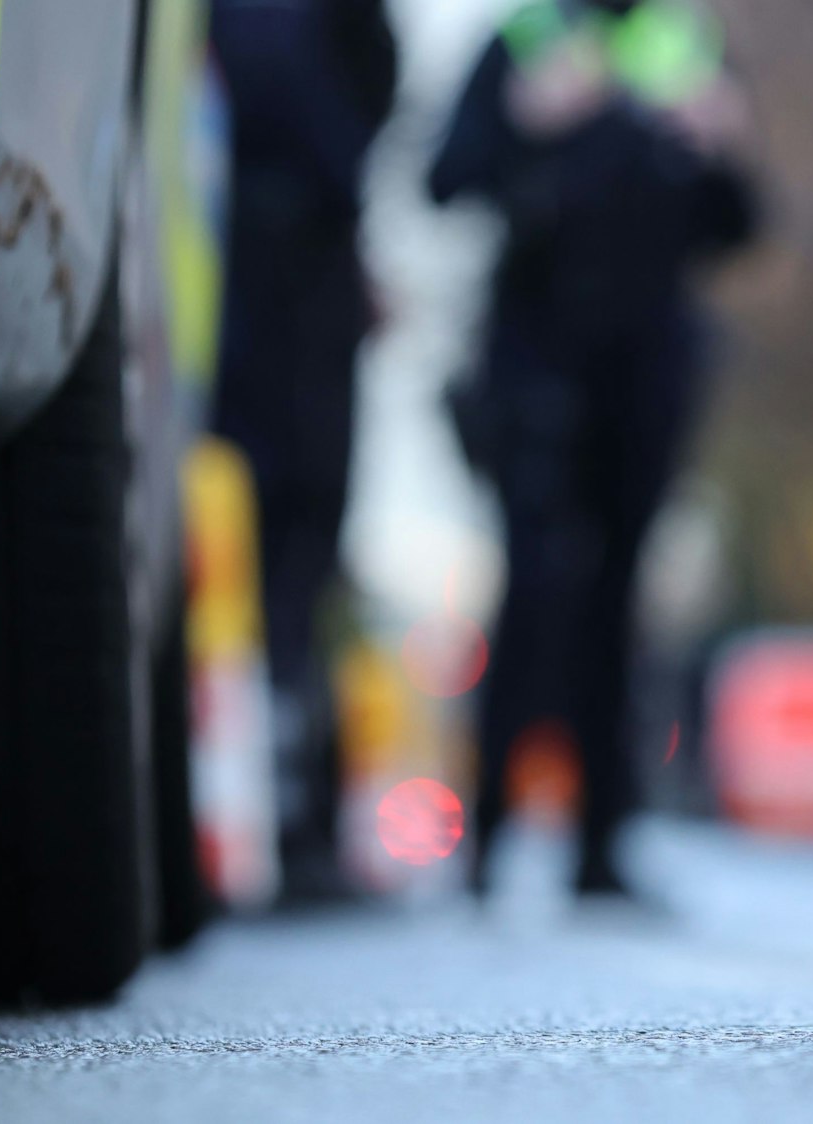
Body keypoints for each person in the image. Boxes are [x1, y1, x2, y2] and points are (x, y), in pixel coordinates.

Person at [427, 0, 755, 897]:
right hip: (536, 365)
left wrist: (720, 145)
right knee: (536, 590)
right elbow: (445, 179)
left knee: (617, 596)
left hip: (646, 371)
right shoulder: (523, 43)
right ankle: (487, 835)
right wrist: (528, 124)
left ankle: (601, 845)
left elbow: (736, 225)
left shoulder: (685, 50)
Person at [210, 0, 396, 901]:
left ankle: (287, 820)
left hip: (268, 288)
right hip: (278, 304)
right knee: (282, 572)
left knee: (280, 578)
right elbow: (329, 100)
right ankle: (287, 825)